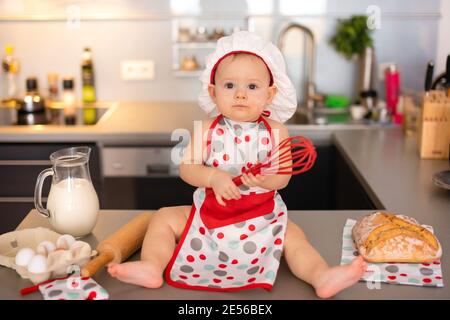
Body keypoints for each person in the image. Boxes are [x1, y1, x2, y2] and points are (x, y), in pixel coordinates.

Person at [107, 31, 367, 298]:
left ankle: (320, 276)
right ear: (213, 92)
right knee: (163, 217)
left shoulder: (276, 131)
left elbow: (283, 178)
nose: (240, 94)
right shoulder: (207, 128)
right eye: (230, 86)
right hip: (211, 215)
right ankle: (152, 266)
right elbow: (187, 168)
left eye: (252, 87)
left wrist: (265, 180)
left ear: (270, 94)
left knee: (294, 236)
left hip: (262, 218)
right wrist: (213, 178)